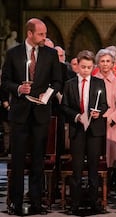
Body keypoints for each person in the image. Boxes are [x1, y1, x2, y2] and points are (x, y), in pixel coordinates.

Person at [1, 18, 62, 216]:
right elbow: (5, 82)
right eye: (41, 34)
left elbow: (57, 81)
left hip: (41, 113)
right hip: (19, 114)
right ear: (30, 33)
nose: (45, 37)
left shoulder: (50, 54)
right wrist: (18, 88)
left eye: (45, 34)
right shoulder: (13, 54)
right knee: (17, 160)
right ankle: (15, 203)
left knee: (38, 160)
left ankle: (36, 202)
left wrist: (48, 95)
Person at [61, 50, 108, 215]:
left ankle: (95, 202)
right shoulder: (70, 84)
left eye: (89, 67)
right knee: (77, 168)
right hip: (77, 130)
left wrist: (98, 112)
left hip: (94, 130)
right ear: (77, 66)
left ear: (93, 67)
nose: (86, 70)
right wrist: (76, 116)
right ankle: (75, 203)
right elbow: (64, 106)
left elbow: (104, 104)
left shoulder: (98, 83)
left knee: (94, 168)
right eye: (83, 67)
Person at [93, 48, 116, 188]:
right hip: (97, 120)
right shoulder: (94, 81)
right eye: (102, 61)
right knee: (98, 153)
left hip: (112, 122)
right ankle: (98, 183)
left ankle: (111, 183)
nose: (105, 64)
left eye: (108, 61)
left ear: (113, 64)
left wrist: (113, 116)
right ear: (98, 64)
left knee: (112, 153)